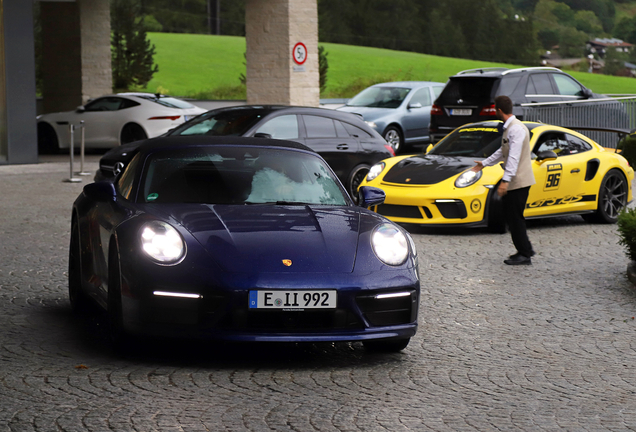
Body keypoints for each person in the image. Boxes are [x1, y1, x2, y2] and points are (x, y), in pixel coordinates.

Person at [471, 95, 536, 265]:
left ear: (499, 110)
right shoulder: (510, 128)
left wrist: (505, 181)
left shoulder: (516, 129)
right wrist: (484, 164)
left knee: (515, 217)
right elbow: (502, 151)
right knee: (512, 216)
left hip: (519, 181)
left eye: (494, 110)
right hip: (516, 180)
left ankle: (525, 254)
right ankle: (525, 249)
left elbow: (513, 157)